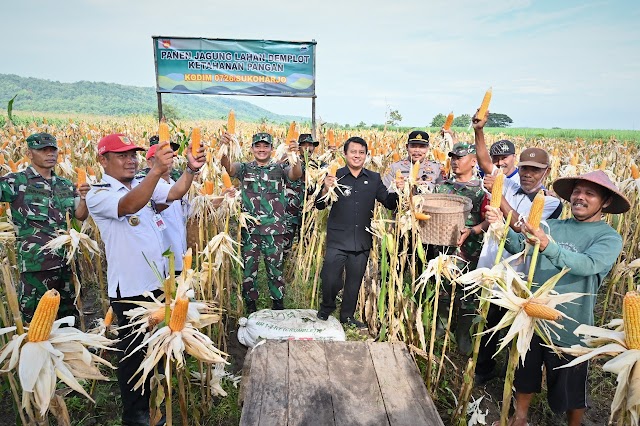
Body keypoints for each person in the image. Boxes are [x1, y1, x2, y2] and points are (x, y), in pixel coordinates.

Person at [485, 170, 630, 426]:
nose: (580, 197)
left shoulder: (608, 238)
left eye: (589, 193)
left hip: (570, 326)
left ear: (605, 202)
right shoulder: (553, 225)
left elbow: (587, 264)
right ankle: (519, 417)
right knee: (525, 372)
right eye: (576, 191)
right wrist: (500, 226)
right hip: (532, 317)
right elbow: (520, 246)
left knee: (570, 385)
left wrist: (547, 245)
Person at [87, 133, 204, 426]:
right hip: (129, 291)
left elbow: (174, 193)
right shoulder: (98, 193)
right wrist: (155, 171)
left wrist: (189, 170)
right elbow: (128, 206)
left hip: (157, 286)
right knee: (133, 357)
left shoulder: (143, 183)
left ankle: (155, 405)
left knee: (155, 347)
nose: (130, 160)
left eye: (133, 155)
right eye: (122, 155)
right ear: (103, 160)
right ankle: (136, 415)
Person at [472, 114, 563, 383]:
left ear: (546, 172)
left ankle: (513, 377)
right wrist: (479, 130)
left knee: (515, 327)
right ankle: (483, 370)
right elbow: (485, 162)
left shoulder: (551, 203)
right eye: (524, 169)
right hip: (491, 268)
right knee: (488, 323)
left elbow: (523, 229)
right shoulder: (509, 183)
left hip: (520, 278)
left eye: (535, 170)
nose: (528, 174)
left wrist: (498, 201)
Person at [316, 136, 404, 328]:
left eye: (361, 152)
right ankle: (327, 306)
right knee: (330, 277)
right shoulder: (335, 176)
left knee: (354, 282)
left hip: (362, 240)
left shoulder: (373, 178)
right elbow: (319, 205)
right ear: (345, 154)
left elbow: (388, 202)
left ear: (366, 155)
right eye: (353, 152)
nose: (357, 156)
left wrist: (399, 191)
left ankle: (347, 316)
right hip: (338, 239)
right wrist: (325, 188)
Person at [0, 132, 90, 321]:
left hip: (66, 263)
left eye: (53, 150)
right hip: (36, 265)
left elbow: (80, 215)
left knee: (69, 319)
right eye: (43, 150)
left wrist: (84, 198)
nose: (50, 154)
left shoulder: (64, 184)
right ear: (30, 153)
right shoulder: (16, 182)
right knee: (36, 321)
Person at [220, 131, 302, 313]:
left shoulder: (279, 169)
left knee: (276, 271)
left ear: (272, 149)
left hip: (275, 230)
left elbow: (296, 174)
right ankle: (251, 306)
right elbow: (228, 168)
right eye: (258, 146)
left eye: (266, 146)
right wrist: (224, 149)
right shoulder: (244, 168)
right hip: (250, 231)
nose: (262, 149)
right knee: (250, 271)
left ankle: (278, 305)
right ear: (252, 148)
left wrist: (294, 155)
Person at [283, 133, 320, 252]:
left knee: (307, 246)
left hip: (310, 212)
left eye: (310, 145)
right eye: (304, 145)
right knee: (284, 245)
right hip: (290, 210)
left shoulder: (320, 165)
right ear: (298, 147)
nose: (307, 148)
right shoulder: (289, 162)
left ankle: (302, 270)